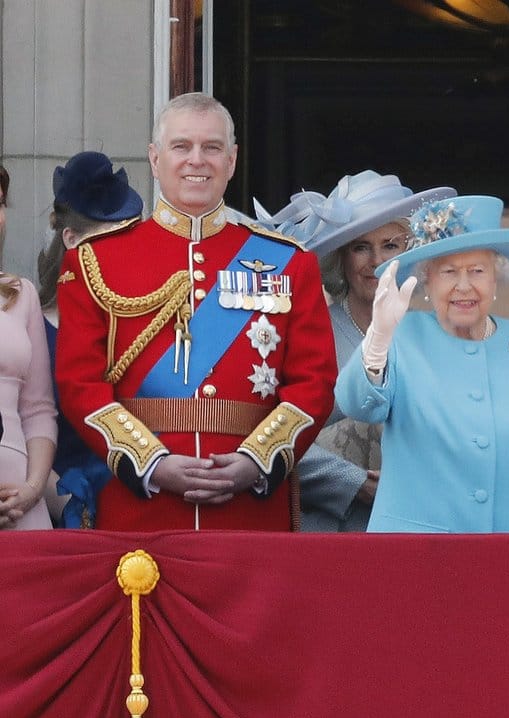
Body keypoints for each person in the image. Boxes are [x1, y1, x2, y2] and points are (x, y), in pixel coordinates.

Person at [55, 92, 337, 530]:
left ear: (232, 160)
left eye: (212, 148)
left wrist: (255, 462)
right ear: (154, 157)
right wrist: (151, 462)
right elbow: (79, 384)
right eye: (181, 146)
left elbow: (314, 382)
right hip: (142, 509)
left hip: (251, 512)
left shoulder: (290, 263)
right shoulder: (95, 260)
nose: (196, 160)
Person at [335, 194, 509, 534]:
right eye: (449, 272)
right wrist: (377, 338)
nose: (464, 286)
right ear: (428, 279)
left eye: (477, 271)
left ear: (496, 279)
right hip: (415, 562)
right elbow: (356, 403)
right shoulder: (400, 337)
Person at [259, 171, 454, 531]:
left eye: (390, 245)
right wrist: (352, 481)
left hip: (417, 529)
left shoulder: (435, 340)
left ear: (411, 253)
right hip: (327, 533)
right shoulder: (308, 332)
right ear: (341, 258)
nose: (375, 260)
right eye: (360, 247)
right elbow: (267, 434)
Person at [36, 151, 144, 528]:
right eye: (109, 237)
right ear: (71, 239)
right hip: (61, 505)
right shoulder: (33, 325)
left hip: (146, 495)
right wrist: (64, 500)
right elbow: (27, 424)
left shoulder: (154, 319)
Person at [0, 164, 58, 530]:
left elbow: (38, 410)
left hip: (21, 510)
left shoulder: (20, 295)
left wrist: (34, 488)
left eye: (1, 203)